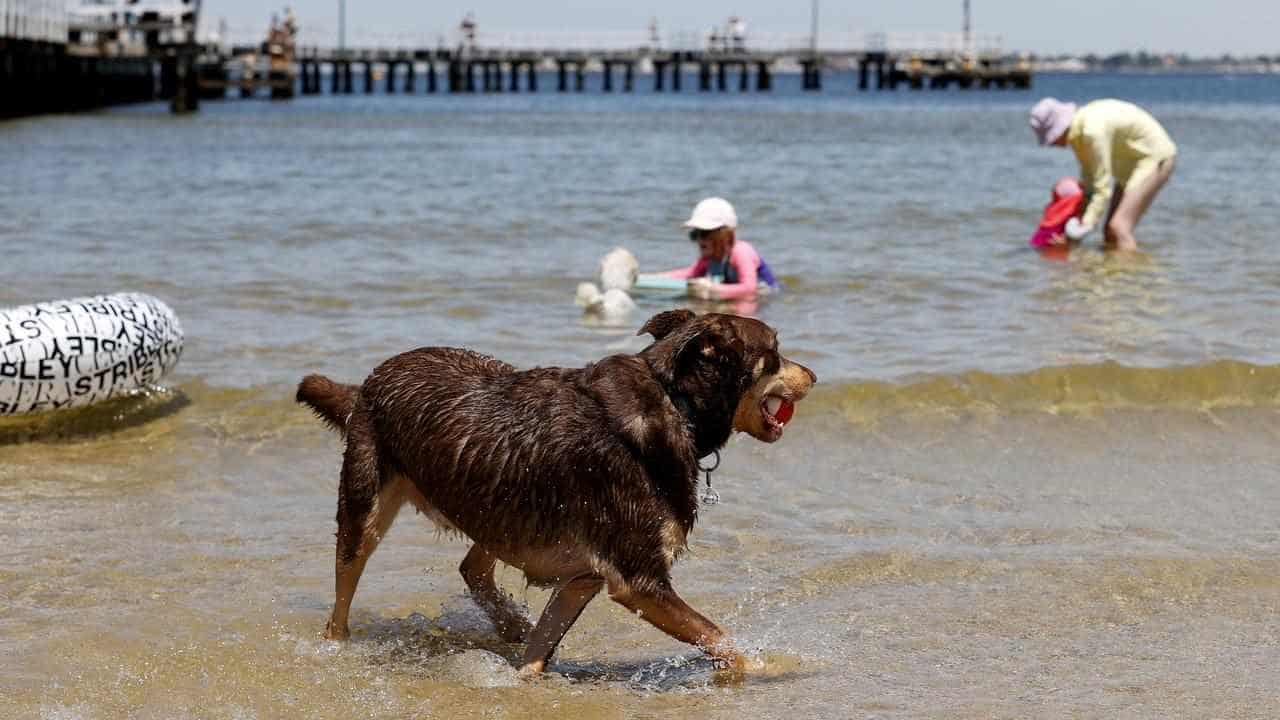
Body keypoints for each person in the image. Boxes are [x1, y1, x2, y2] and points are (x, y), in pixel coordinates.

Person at [1028, 97, 1177, 252]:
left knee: (1119, 227)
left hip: (1154, 158)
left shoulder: (1091, 132)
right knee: (1109, 233)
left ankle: (1130, 274)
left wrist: (1081, 229)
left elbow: (1101, 188)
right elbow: (1089, 185)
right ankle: (1113, 274)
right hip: (1128, 167)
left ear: (1059, 129)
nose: (1051, 145)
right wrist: (1074, 226)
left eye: (1051, 139)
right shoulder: (1080, 135)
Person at [660, 197, 779, 301]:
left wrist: (712, 288)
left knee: (743, 306)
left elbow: (749, 288)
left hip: (760, 298)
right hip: (734, 295)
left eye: (705, 234)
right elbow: (690, 274)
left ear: (726, 236)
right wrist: (657, 277)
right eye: (695, 234)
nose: (700, 240)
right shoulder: (710, 257)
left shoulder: (741, 252)